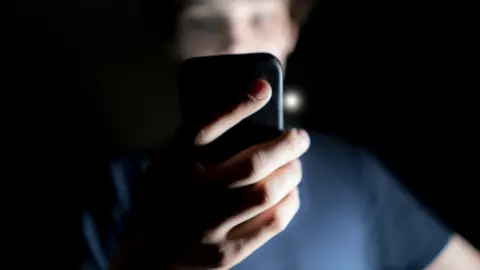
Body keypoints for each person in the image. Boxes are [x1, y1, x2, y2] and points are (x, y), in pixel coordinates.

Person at [81, 0, 480, 269]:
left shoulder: (356, 174)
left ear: (292, 32)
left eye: (260, 17)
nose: (235, 42)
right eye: (205, 21)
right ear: (175, 42)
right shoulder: (116, 190)